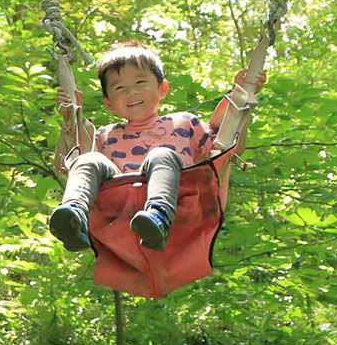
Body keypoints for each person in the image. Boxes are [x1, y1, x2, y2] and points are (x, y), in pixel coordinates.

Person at [49, 40, 264, 252]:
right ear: (109, 103)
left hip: (178, 206)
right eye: (119, 87)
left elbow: (228, 149)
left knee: (161, 155)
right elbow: (65, 164)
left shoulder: (184, 123)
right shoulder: (104, 136)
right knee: (87, 159)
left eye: (140, 82)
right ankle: (74, 216)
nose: (131, 92)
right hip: (119, 211)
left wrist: (242, 95)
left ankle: (158, 216)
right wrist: (69, 121)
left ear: (162, 88)